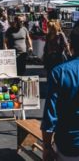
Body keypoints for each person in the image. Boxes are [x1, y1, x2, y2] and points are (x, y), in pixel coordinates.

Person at [41, 24, 79, 161]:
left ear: (71, 44)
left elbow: (50, 115)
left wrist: (46, 145)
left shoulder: (60, 72)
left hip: (69, 145)